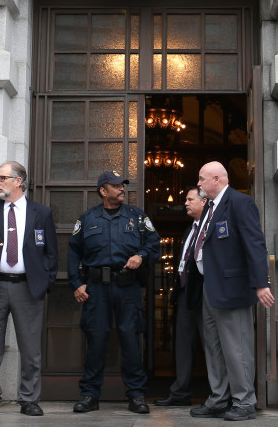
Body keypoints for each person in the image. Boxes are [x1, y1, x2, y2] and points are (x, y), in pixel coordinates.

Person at [0, 161, 58, 417]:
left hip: (28, 289)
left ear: (19, 181)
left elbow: (51, 254)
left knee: (30, 348)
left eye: (3, 177)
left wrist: (44, 281)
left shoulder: (41, 213)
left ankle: (29, 399)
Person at [67, 170, 161, 414]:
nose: (122, 189)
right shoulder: (86, 219)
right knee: (96, 340)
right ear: (103, 190)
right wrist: (77, 283)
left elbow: (154, 244)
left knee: (130, 339)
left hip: (127, 287)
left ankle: (137, 395)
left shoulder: (137, 217)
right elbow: (73, 253)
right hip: (96, 289)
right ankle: (89, 395)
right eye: (116, 185)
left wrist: (141, 256)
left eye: (123, 185)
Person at [189, 161, 274, 421]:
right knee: (214, 347)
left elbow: (255, 245)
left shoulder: (240, 203)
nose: (200, 185)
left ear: (217, 179)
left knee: (237, 347)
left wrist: (261, 283)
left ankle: (244, 401)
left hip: (233, 289)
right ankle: (218, 399)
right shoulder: (209, 209)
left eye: (202, 179)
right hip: (210, 288)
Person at [155, 185, 208, 407]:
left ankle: (221, 394)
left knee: (212, 346)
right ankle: (181, 392)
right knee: (183, 345)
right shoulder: (190, 230)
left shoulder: (210, 226)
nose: (184, 203)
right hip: (186, 295)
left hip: (207, 294)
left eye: (189, 199)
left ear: (203, 202)